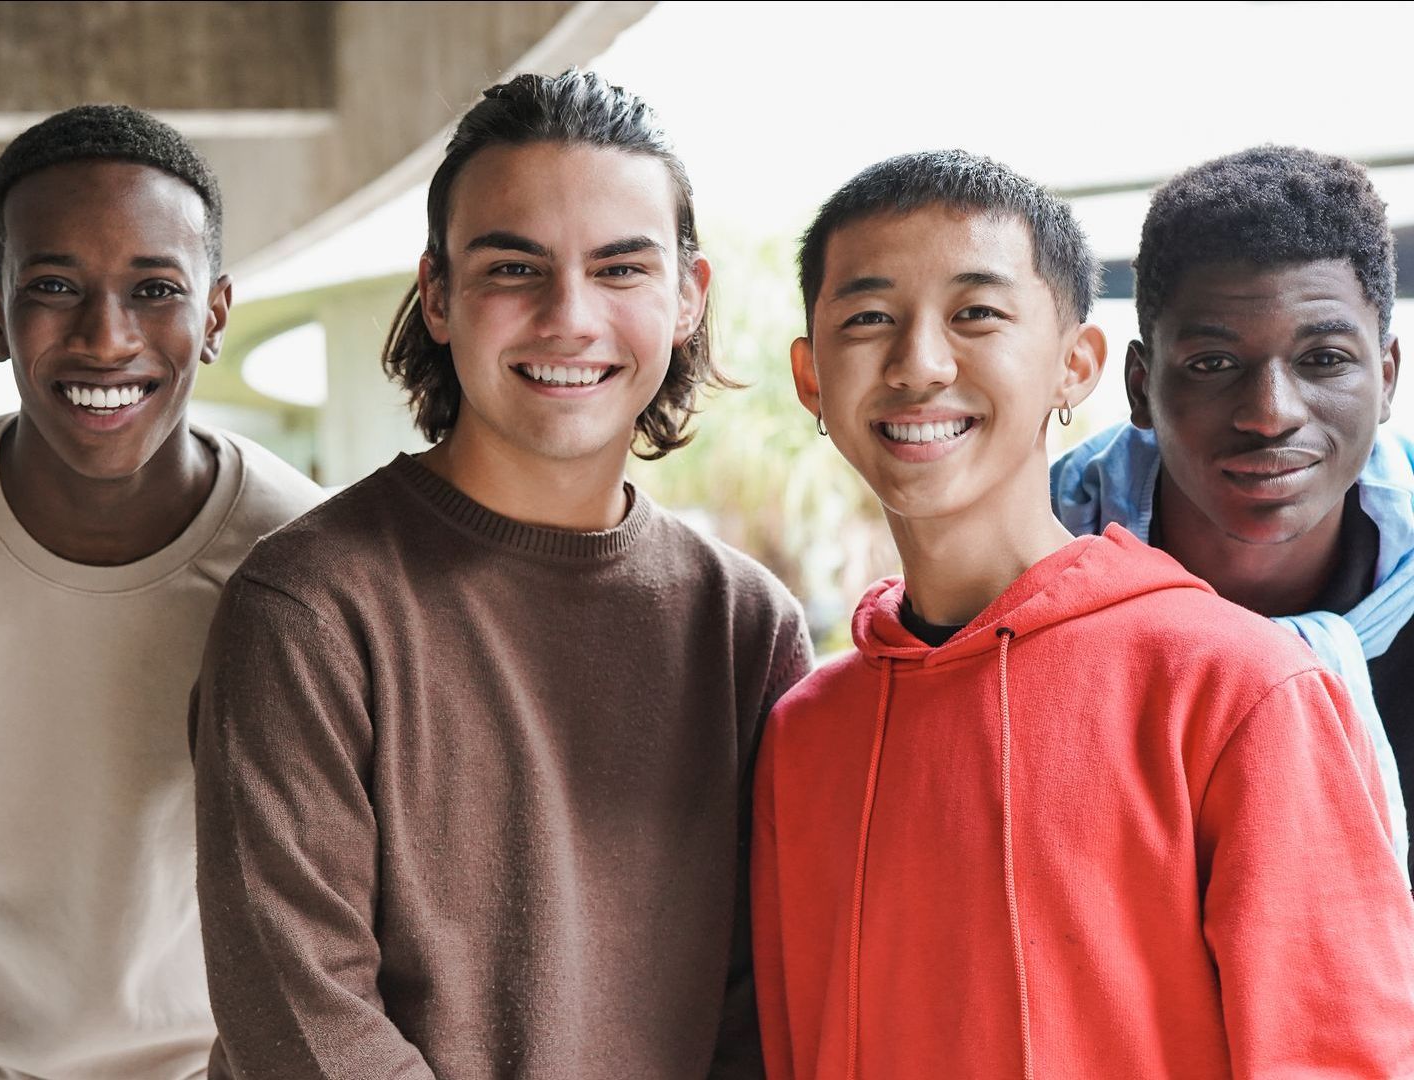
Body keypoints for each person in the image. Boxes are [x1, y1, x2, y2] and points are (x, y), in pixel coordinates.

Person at [192, 69, 812, 1079]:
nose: (569, 317)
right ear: (438, 295)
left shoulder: (746, 629)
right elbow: (301, 1016)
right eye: (514, 269)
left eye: (620, 270)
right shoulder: (309, 606)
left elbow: (765, 1007)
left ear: (688, 297)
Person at [756, 149, 1414, 1078]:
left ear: (1078, 366)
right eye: (868, 318)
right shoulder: (803, 737)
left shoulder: (1239, 689)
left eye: (977, 313)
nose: (920, 363)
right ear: (812, 377)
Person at [0, 104, 322, 1079]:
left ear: (214, 316)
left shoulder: (305, 563)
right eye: (53, 286)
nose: (105, 336)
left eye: (155, 288)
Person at [1051, 145, 1410, 877]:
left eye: (1324, 359)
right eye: (1214, 364)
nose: (1270, 414)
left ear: (1388, 376)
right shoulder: (1034, 579)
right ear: (1140, 386)